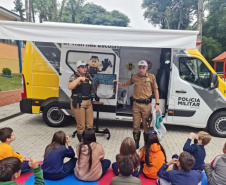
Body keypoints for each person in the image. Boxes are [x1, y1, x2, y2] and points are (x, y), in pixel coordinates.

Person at [114, 60, 159, 149]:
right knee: (135, 126)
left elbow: (155, 90)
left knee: (147, 126)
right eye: (140, 67)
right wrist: (118, 83)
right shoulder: (134, 77)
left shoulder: (151, 77)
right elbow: (126, 84)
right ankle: (136, 143)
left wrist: (157, 103)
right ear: (138, 68)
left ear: (147, 68)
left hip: (147, 106)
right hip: (136, 105)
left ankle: (147, 144)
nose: (141, 69)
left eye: (143, 67)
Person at [68, 60, 94, 142]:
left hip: (88, 102)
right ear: (78, 68)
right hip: (79, 103)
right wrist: (79, 79)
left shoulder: (89, 76)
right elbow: (70, 86)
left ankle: (88, 142)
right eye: (82, 67)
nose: (84, 68)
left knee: (89, 125)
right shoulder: (74, 77)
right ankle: (82, 143)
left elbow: (92, 89)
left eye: (85, 66)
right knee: (81, 126)